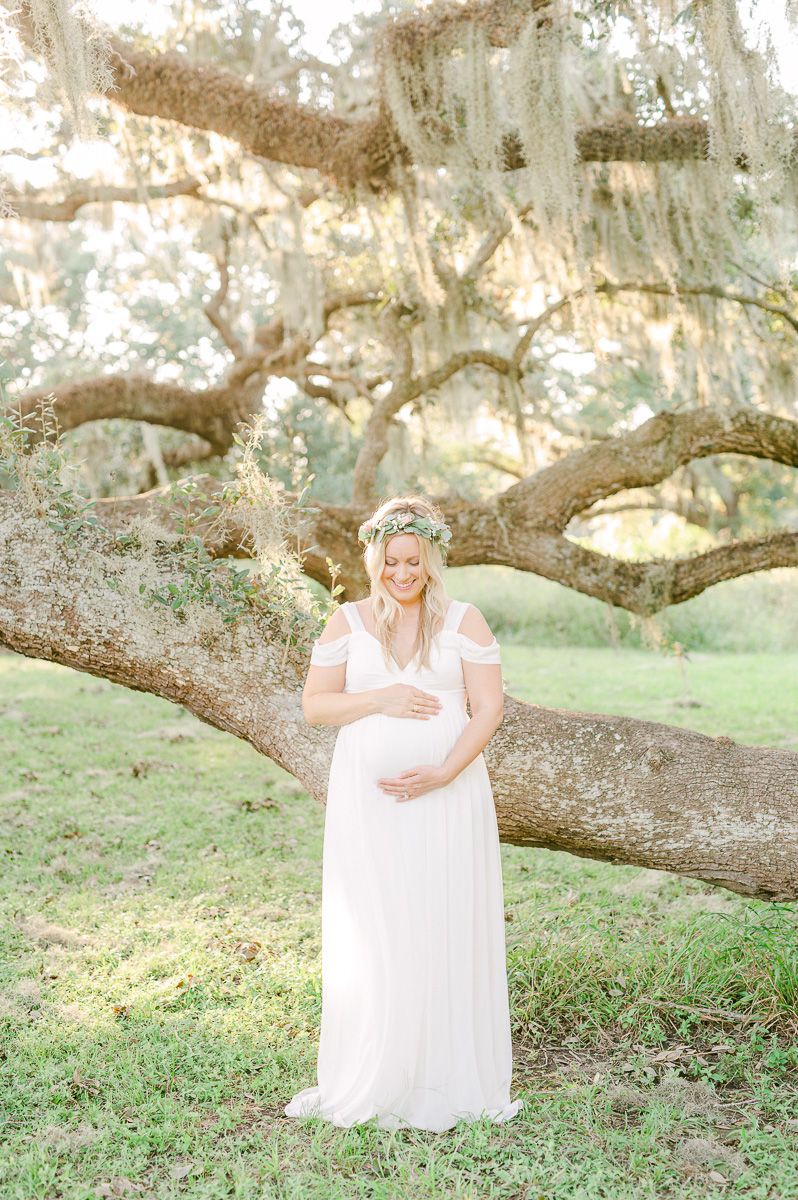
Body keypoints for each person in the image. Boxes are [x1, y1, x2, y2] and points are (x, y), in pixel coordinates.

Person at [284, 494, 523, 1132]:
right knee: (382, 921)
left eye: (413, 561)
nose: (402, 573)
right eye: (391, 561)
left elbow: (489, 708)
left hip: (450, 794)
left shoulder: (466, 621)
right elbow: (315, 706)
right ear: (374, 560)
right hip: (370, 805)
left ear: (432, 559)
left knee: (442, 917)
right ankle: (380, 1069)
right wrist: (380, 698)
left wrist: (445, 771)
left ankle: (445, 1074)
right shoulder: (347, 622)